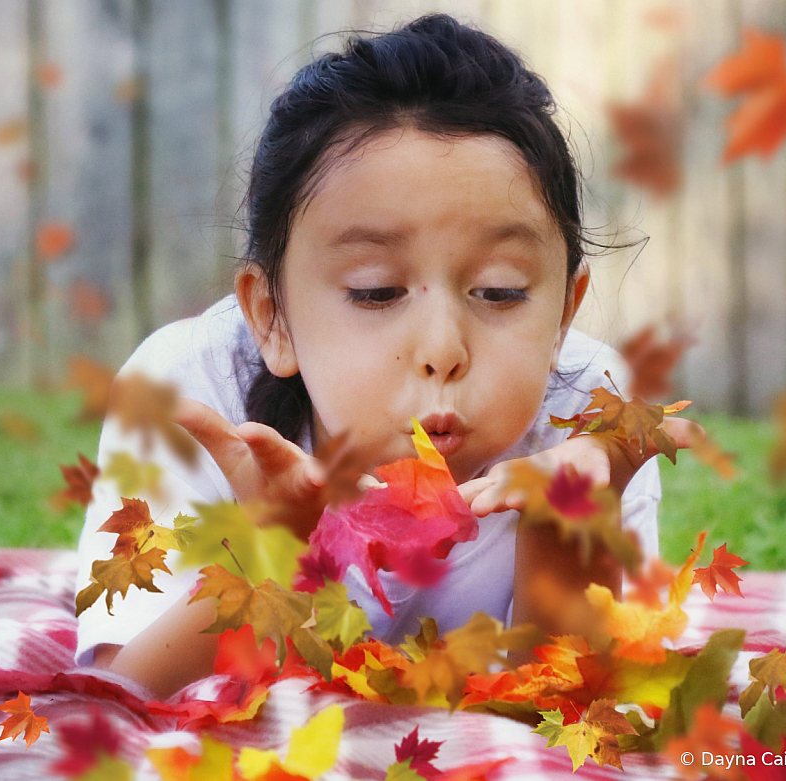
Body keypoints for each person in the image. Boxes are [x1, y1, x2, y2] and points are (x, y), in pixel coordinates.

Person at [74, 14, 698, 698]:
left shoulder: (594, 414)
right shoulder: (190, 396)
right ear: (270, 316)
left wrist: (571, 520)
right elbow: (120, 691)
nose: (441, 350)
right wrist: (266, 552)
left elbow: (576, 710)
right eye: (375, 292)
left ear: (562, 314)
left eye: (499, 290)